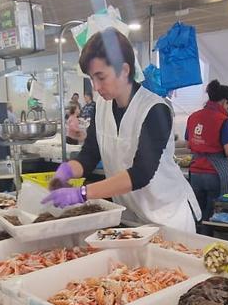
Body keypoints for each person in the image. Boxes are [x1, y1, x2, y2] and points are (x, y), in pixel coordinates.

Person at [45, 28, 200, 231]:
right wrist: (66, 171)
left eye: (101, 77)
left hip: (169, 218)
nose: (96, 86)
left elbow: (141, 173)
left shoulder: (154, 109)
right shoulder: (101, 106)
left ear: (124, 70)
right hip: (131, 218)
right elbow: (90, 154)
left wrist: (81, 193)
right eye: (92, 79)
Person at [185, 80, 228, 225]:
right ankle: (208, 244)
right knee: (212, 216)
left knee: (196, 214)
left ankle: (193, 242)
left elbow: (189, 143)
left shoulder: (193, 116)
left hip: (195, 172)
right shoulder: (223, 120)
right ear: (224, 102)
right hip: (214, 174)